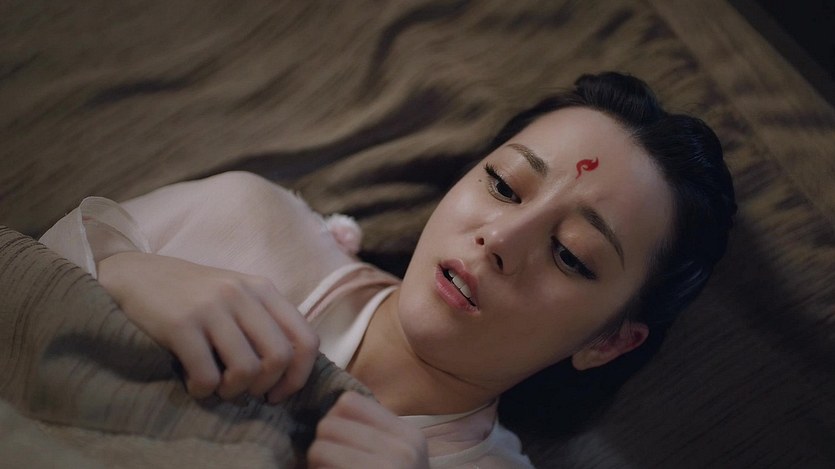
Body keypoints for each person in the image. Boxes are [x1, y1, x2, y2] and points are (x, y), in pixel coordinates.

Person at [39, 72, 736, 468]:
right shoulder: (242, 217)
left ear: (608, 342)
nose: (500, 238)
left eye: (571, 254)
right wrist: (115, 275)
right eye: (502, 185)